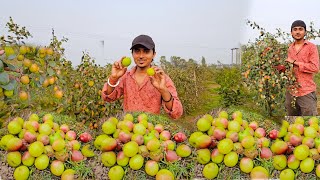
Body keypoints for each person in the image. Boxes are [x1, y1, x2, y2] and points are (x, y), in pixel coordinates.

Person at [101, 34, 183, 119]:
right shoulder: (126, 77)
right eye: (137, 51)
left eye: (146, 51)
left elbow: (176, 113)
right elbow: (108, 97)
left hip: (151, 129)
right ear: (132, 54)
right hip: (128, 127)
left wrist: (163, 90)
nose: (141, 56)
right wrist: (113, 78)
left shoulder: (161, 78)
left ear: (153, 54)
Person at [285, 20, 319, 116]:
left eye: (300, 29)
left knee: (310, 122)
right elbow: (288, 67)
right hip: (291, 91)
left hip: (306, 91)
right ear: (291, 32)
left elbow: (315, 67)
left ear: (305, 32)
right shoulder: (289, 48)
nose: (298, 32)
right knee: (292, 122)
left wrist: (296, 63)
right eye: (295, 29)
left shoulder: (311, 47)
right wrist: (283, 69)